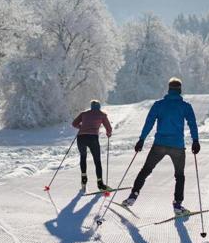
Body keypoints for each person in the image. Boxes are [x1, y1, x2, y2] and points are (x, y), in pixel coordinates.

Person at [121, 78, 200, 215]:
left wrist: (141, 139)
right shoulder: (185, 106)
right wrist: (195, 140)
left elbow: (149, 123)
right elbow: (192, 124)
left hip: (160, 144)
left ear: (168, 89)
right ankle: (177, 205)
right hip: (177, 146)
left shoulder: (159, 105)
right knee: (179, 176)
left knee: (145, 170)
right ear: (180, 90)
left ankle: (133, 196)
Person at [71, 99, 113, 191]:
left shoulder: (84, 114)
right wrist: (108, 133)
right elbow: (108, 128)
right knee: (97, 160)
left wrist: (81, 127)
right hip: (93, 138)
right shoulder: (102, 115)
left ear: (91, 107)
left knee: (83, 157)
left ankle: (83, 180)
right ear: (99, 107)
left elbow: (74, 124)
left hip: (81, 137)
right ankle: (100, 184)